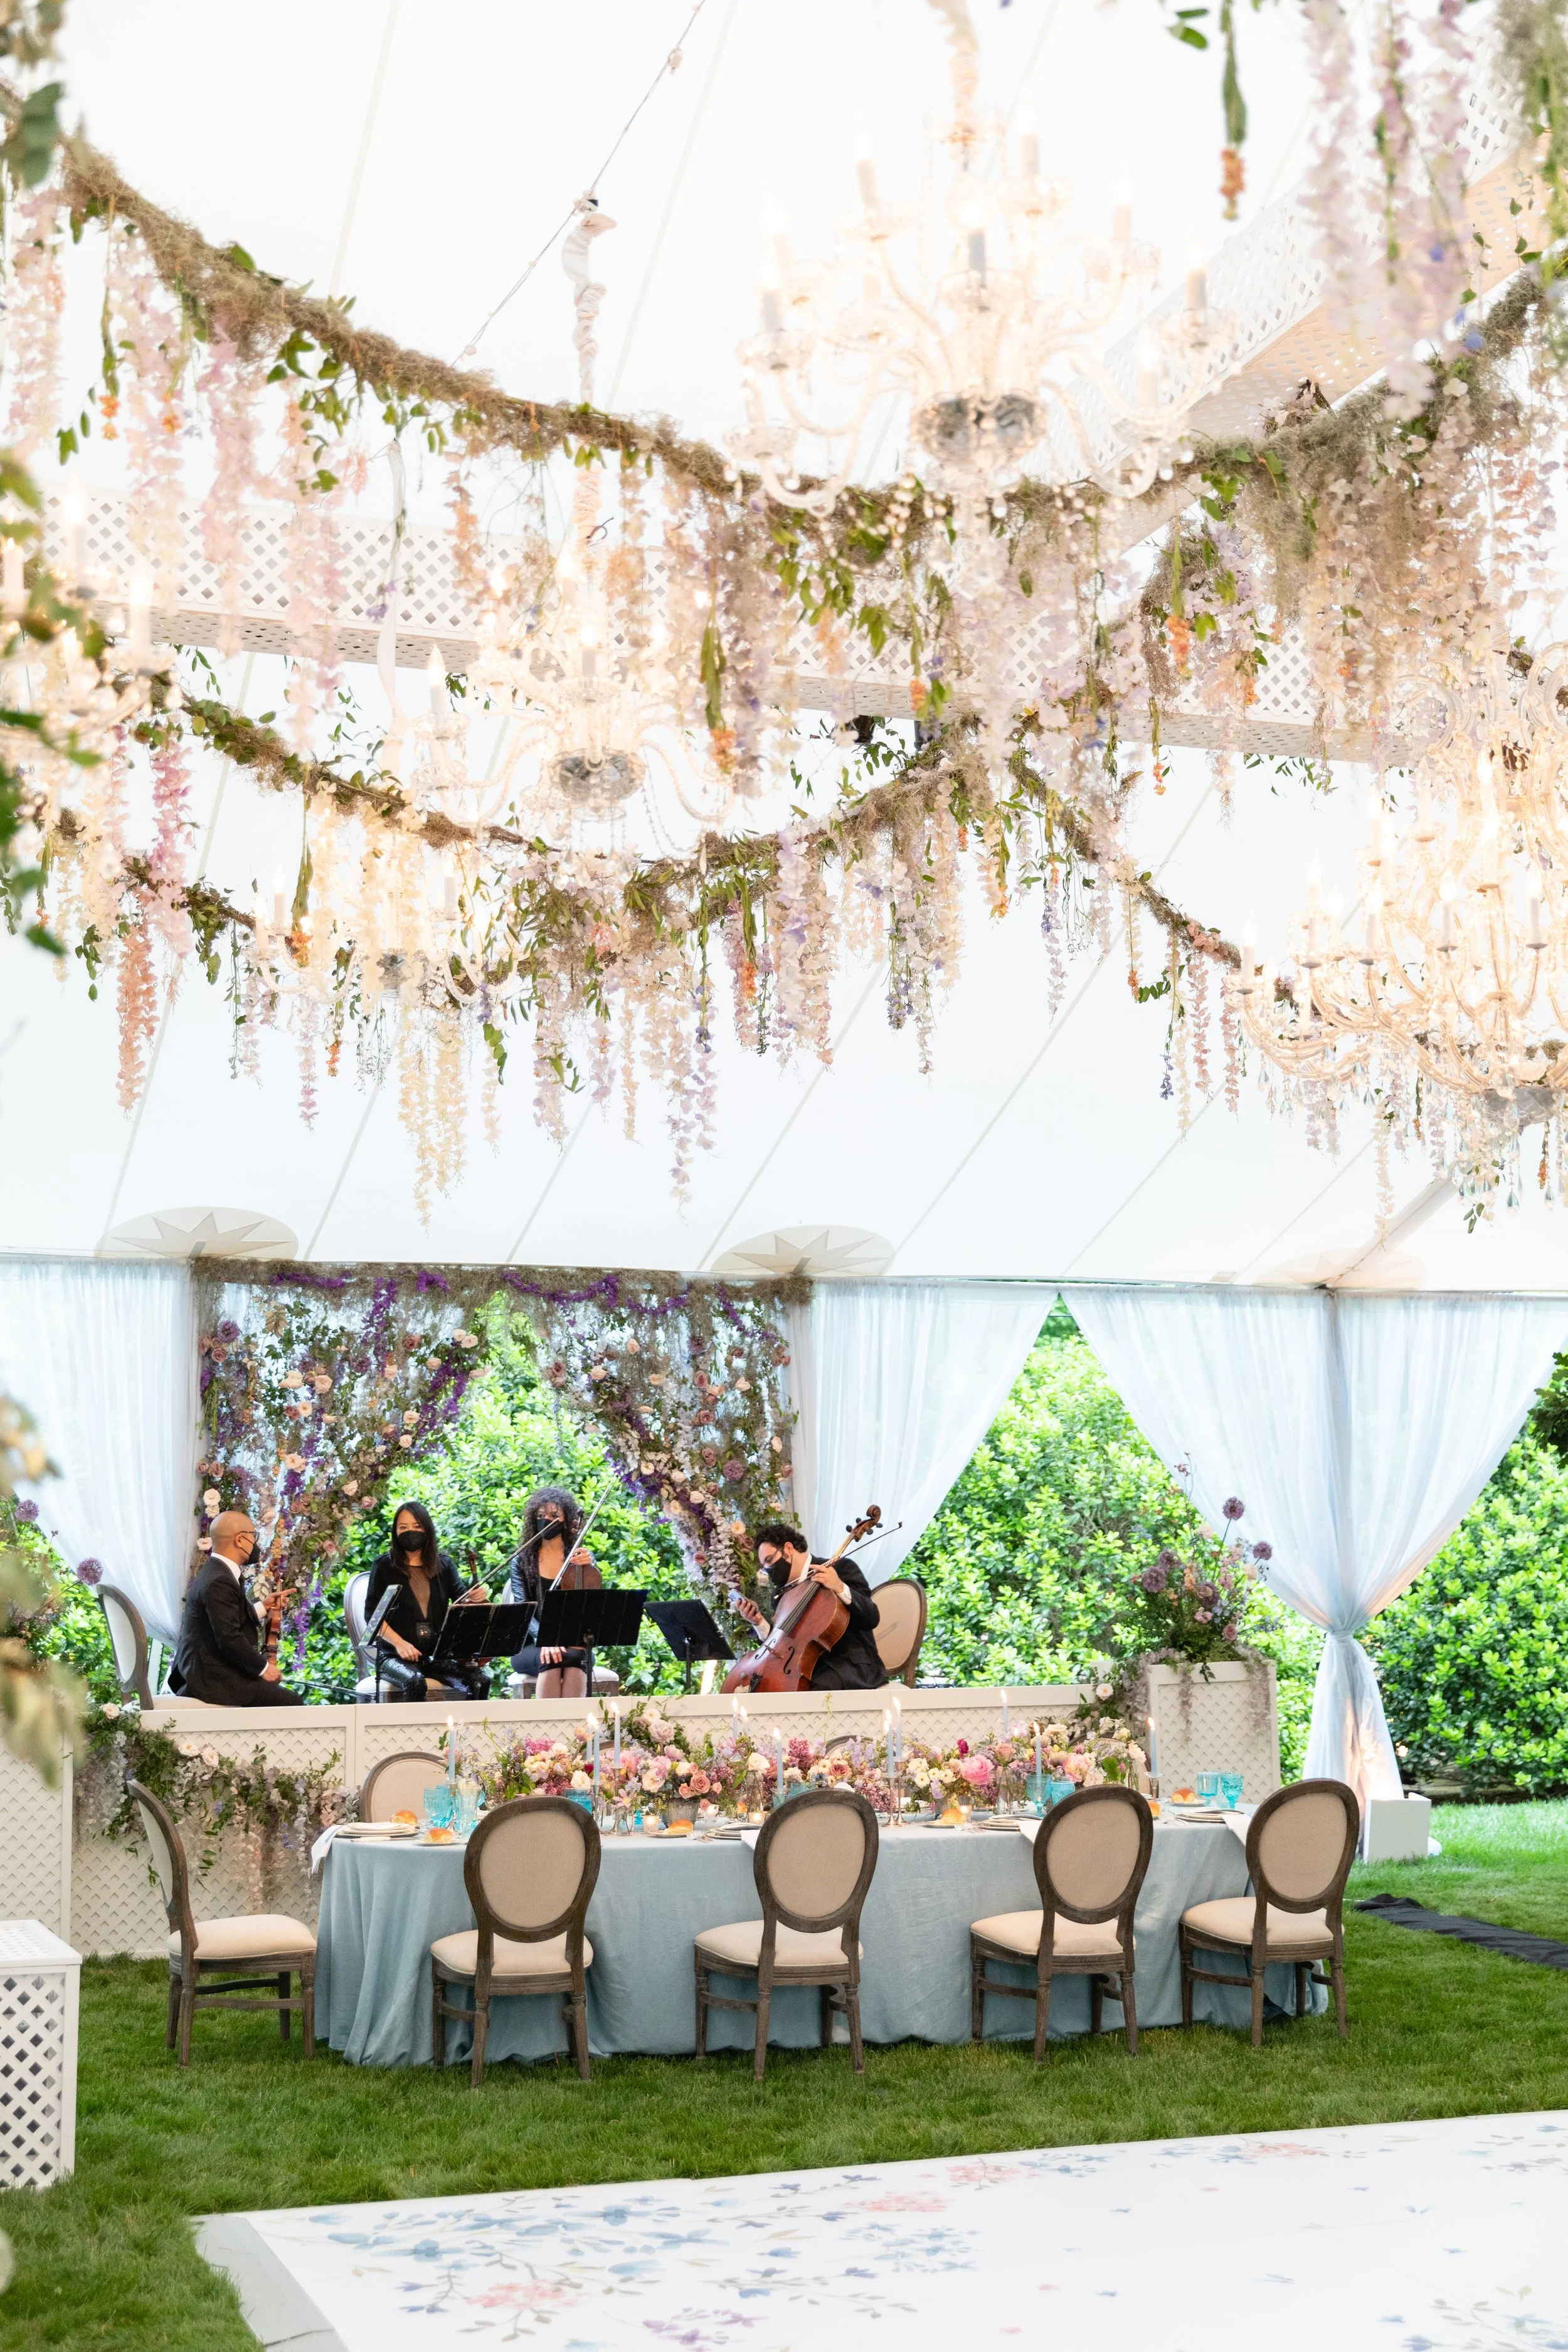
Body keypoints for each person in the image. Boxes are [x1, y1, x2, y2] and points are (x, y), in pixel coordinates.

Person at [169, 1510, 305, 1707]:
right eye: (254, 1536)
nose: (256, 1544)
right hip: (211, 1679)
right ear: (240, 1540)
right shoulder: (220, 1580)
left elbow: (224, 1619)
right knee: (292, 1703)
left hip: (208, 1671)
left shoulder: (216, 1570)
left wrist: (263, 1607)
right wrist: (264, 1668)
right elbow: (229, 1637)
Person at [736, 1521, 887, 1692]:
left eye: (770, 1560)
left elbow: (871, 1617)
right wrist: (759, 1623)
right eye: (765, 1566)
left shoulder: (840, 1568)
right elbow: (781, 1644)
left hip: (848, 1665)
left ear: (789, 1549)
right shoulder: (782, 1593)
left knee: (818, 1690)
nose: (769, 1569)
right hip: (805, 1668)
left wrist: (839, 1586)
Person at [365, 1500, 490, 1702]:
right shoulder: (384, 1566)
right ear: (395, 1532)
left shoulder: (444, 1565)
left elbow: (462, 1601)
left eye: (417, 1526)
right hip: (393, 1655)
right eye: (403, 1528)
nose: (410, 1532)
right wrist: (399, 1643)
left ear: (427, 1529)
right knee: (415, 1682)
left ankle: (467, 1723)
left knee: (479, 1682)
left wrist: (475, 1598)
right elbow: (372, 1615)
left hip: (435, 1655)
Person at [507, 1485, 596, 1699]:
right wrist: (546, 1639)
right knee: (551, 1658)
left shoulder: (580, 1557)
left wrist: (590, 1566)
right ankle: (546, 1721)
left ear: (567, 1521)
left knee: (575, 1656)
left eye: (554, 1516)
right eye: (540, 1516)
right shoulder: (521, 1560)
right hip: (530, 1645)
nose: (546, 1520)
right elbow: (524, 1611)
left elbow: (591, 1603)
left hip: (573, 1642)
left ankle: (574, 1720)